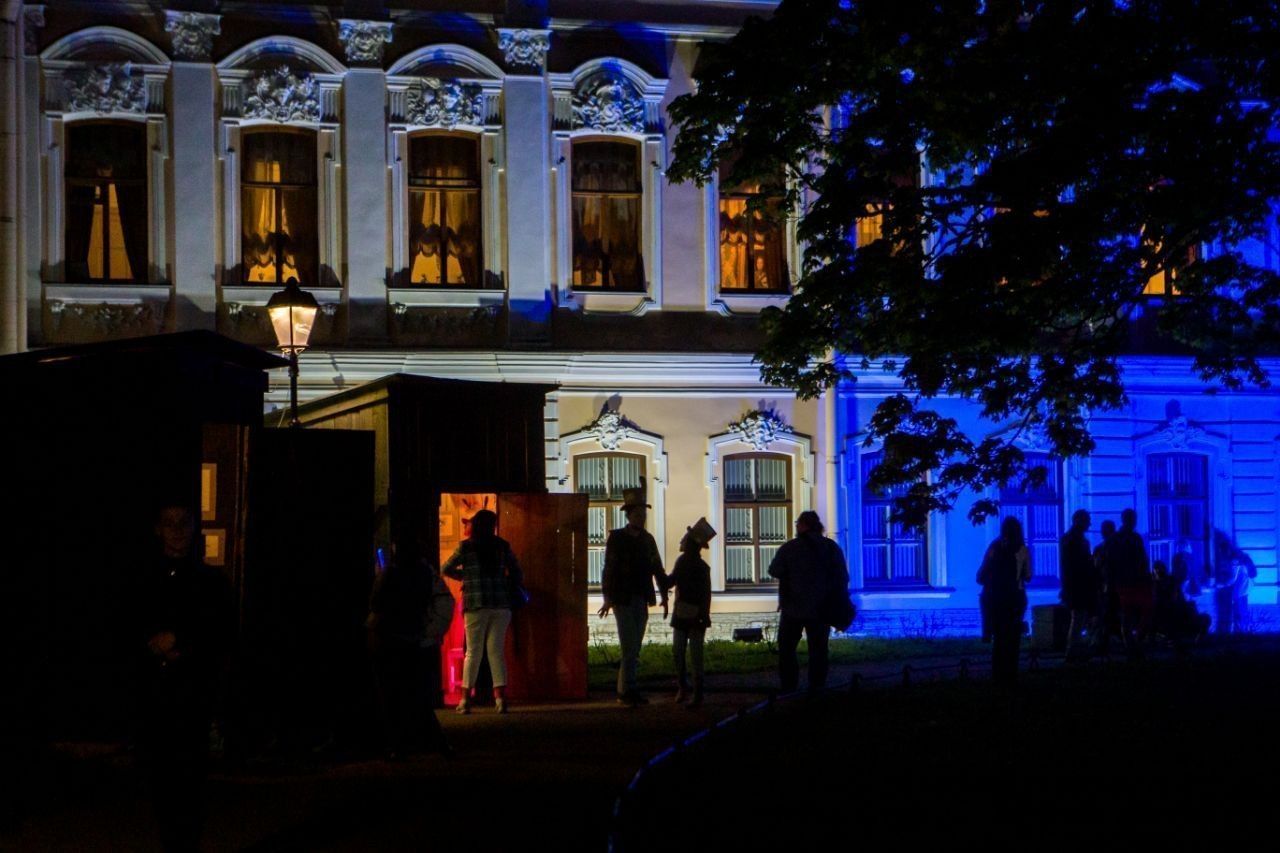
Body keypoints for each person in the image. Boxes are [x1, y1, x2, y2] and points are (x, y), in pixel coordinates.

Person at [136, 504, 234, 853]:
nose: (177, 530)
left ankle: (186, 840)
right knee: (160, 770)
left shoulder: (210, 582)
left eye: (184, 522)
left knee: (190, 770)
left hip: (193, 690)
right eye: (169, 523)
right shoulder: (144, 579)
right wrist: (152, 645)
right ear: (158, 529)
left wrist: (181, 642)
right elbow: (127, 622)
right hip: (155, 690)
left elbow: (221, 630)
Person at [366, 538, 451, 757]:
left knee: (390, 694)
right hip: (413, 636)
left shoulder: (390, 573)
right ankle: (432, 742)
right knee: (416, 692)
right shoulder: (425, 574)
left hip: (387, 637)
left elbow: (376, 602)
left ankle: (397, 744)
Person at [442, 509, 523, 714]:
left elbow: (446, 568)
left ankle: (465, 700)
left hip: (475, 605)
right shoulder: (502, 546)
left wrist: (466, 577)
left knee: (473, 652)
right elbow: (516, 571)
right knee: (496, 652)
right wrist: (503, 581)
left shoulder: (466, 547)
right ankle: (500, 700)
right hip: (501, 605)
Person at [598, 487, 668, 707]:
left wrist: (664, 595)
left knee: (634, 646)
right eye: (637, 514)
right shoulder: (617, 538)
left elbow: (657, 568)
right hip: (622, 598)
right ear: (629, 516)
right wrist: (607, 598)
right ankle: (626, 690)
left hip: (641, 596)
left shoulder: (648, 540)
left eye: (643, 514)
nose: (641, 518)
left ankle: (627, 688)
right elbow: (609, 569)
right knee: (629, 645)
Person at [768, 510, 849, 695]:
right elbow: (842, 577)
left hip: (793, 608)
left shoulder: (790, 548)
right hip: (822, 609)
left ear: (803, 526)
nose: (796, 526)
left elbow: (774, 570)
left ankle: (789, 686)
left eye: (798, 523)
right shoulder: (831, 548)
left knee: (787, 648)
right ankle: (817, 686)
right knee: (819, 650)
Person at [668, 518, 716, 706]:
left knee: (695, 655)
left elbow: (706, 595)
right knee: (678, 652)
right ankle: (684, 686)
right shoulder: (682, 562)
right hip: (682, 613)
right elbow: (672, 581)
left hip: (695, 615)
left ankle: (697, 692)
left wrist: (704, 615)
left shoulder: (701, 568)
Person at [978, 516, 1031, 685]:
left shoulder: (994, 547)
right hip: (1015, 598)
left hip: (995, 597)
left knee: (999, 639)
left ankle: (997, 675)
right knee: (1013, 639)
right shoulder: (1022, 549)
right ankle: (1011, 675)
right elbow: (1028, 576)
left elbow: (981, 575)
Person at [1107, 508, 1152, 658]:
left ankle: (1131, 644)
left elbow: (1111, 563)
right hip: (1132, 583)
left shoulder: (1117, 539)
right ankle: (1133, 644)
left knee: (1128, 615)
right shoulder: (1133, 538)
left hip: (1125, 583)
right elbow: (1143, 561)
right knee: (1136, 613)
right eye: (1132, 519)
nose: (1134, 522)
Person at [1059, 509, 1098, 662]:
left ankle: (1074, 649)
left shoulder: (1070, 539)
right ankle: (1072, 651)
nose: (1089, 524)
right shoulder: (1075, 540)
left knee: (1079, 619)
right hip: (1078, 586)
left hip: (1076, 586)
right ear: (1079, 521)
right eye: (1087, 521)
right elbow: (1076, 565)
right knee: (1078, 619)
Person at [1093, 519, 1119, 655]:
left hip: (1106, 587)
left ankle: (1104, 642)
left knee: (1105, 615)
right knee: (1111, 615)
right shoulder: (1119, 549)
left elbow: (1095, 568)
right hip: (1114, 587)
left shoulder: (1100, 549)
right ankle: (1108, 641)